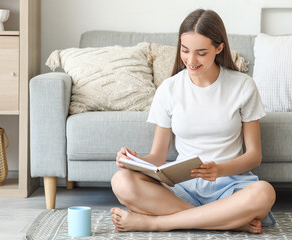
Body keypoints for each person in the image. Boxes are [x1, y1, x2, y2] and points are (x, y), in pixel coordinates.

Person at [110, 9, 276, 233]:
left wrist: (219, 170)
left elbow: (254, 156)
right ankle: (226, 220)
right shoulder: (169, 89)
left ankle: (157, 223)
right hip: (183, 187)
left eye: (201, 53)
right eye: (185, 50)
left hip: (230, 184)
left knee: (264, 193)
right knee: (121, 181)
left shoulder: (243, 86)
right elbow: (157, 158)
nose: (191, 60)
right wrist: (133, 160)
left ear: (219, 48)